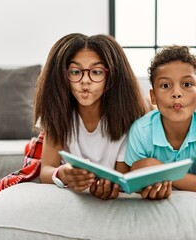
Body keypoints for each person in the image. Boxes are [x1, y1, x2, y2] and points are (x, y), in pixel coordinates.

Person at [34, 33, 146, 200]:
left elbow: (123, 176)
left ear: (111, 76)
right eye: (75, 71)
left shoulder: (130, 117)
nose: (85, 81)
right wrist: (63, 173)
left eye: (96, 72)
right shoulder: (58, 113)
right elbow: (46, 170)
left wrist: (110, 187)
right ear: (63, 76)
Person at [125, 46, 196, 200]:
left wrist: (161, 171)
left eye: (187, 85)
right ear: (153, 97)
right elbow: (134, 181)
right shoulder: (140, 130)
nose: (176, 93)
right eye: (165, 86)